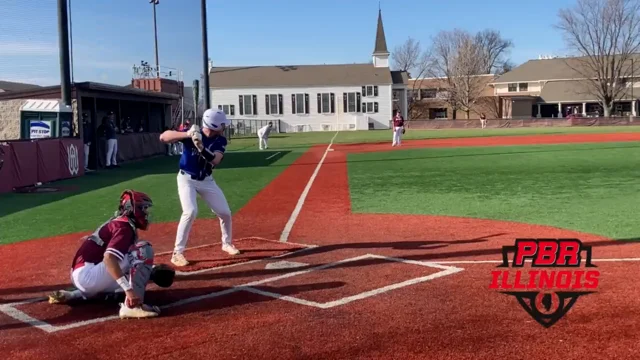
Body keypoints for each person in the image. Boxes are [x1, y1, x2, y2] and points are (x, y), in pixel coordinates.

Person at [47, 190, 165, 319]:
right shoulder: (124, 227)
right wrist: (129, 290)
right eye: (143, 208)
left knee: (130, 272)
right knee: (142, 251)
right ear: (132, 209)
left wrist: (150, 273)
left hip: (85, 274)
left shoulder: (120, 222)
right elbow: (109, 259)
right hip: (88, 275)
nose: (146, 213)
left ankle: (76, 294)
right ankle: (132, 307)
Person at [159, 109, 239, 267]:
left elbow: (215, 160)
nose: (224, 127)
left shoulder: (220, 140)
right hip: (186, 179)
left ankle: (226, 243)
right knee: (190, 211)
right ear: (213, 124)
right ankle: (177, 253)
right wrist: (187, 134)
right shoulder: (192, 133)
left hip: (206, 180)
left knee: (225, 212)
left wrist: (201, 147)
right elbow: (163, 137)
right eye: (222, 124)